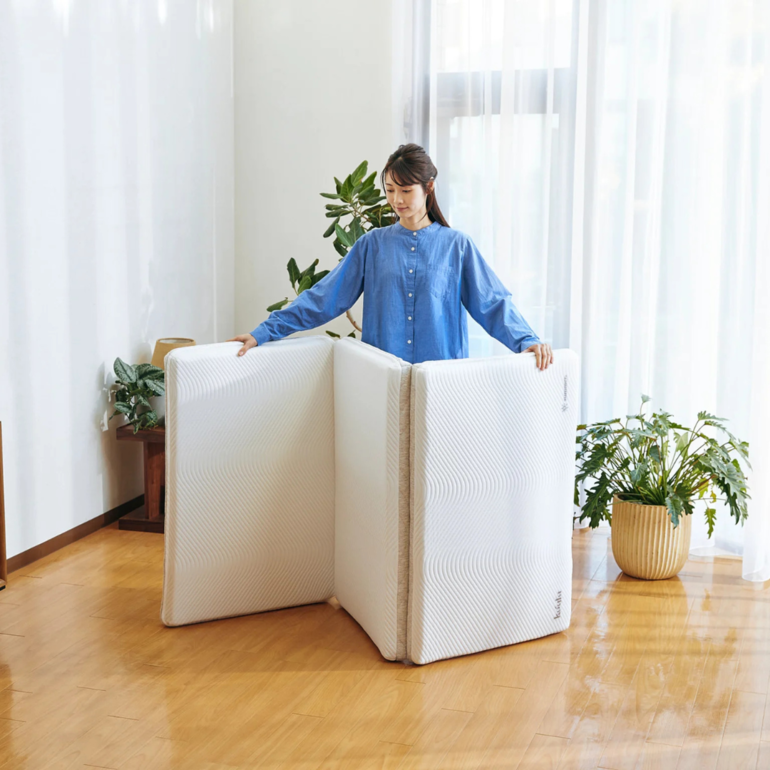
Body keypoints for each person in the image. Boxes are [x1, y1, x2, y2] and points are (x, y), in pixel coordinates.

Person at [229, 143, 553, 370]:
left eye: (406, 190)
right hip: (384, 379)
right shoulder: (371, 245)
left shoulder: (457, 246)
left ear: (429, 187)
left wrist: (526, 340)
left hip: (441, 379)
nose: (396, 199)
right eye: (390, 189)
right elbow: (324, 298)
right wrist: (264, 332)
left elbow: (492, 304)